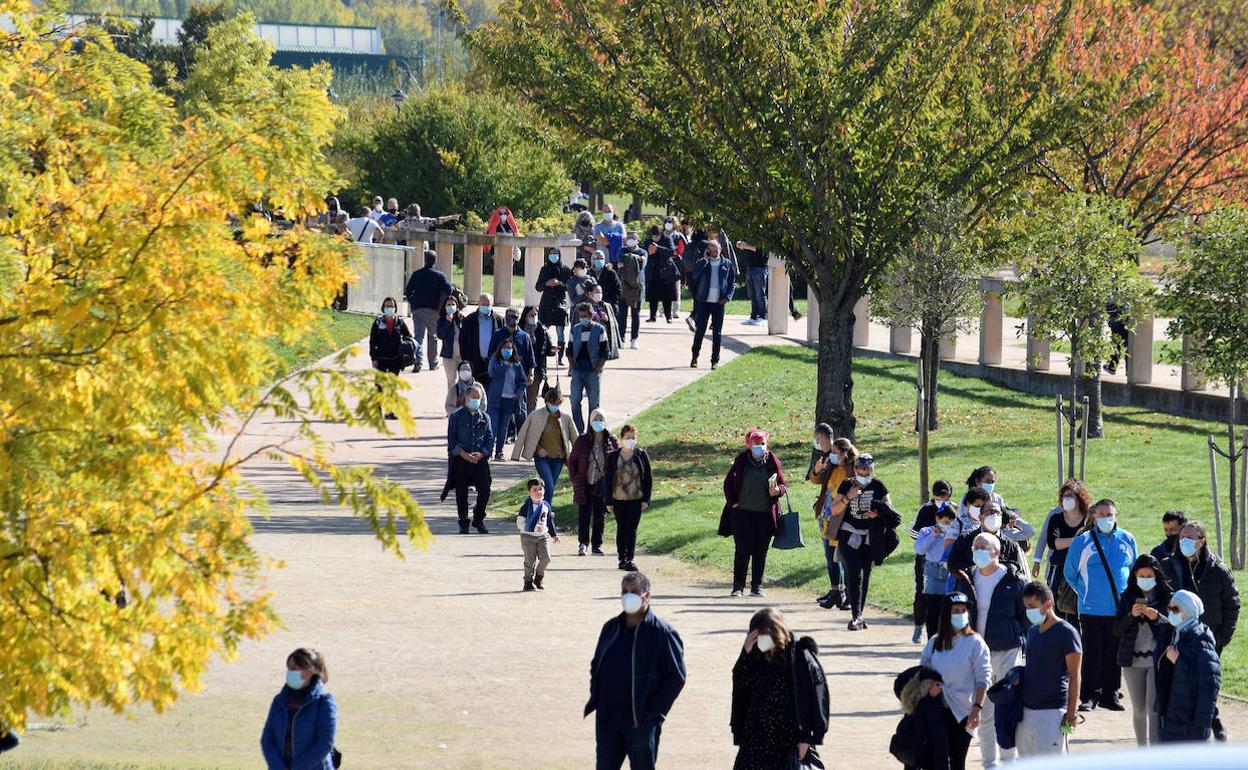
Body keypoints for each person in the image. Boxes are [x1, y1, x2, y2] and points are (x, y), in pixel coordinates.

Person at [585, 572, 687, 770]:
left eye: (634, 592)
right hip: (608, 719)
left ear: (647, 595)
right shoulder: (610, 627)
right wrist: (597, 696)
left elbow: (676, 677)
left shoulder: (662, 632)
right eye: (624, 591)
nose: (628, 596)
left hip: (641, 722)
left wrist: (653, 713)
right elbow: (596, 664)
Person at [951, 532, 1028, 768]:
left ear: (996, 552)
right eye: (975, 547)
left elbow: (1026, 618)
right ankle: (989, 764)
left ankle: (1008, 761)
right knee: (983, 712)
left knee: (1007, 708)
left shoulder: (1015, 581)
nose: (977, 551)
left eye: (983, 547)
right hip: (976, 654)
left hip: (1007, 651)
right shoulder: (966, 579)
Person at [1161, 519, 1240, 741]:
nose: (1184, 541)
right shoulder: (1169, 566)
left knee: (1205, 679)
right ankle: (1201, 722)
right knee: (1182, 680)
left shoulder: (1218, 570)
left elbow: (1232, 604)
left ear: (1202, 541)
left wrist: (1222, 637)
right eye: (1182, 537)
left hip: (1208, 639)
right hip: (1178, 635)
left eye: (1190, 537)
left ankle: (1209, 722)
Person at [730, 608, 829, 769]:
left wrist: (807, 738)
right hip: (756, 740)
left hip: (787, 740)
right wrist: (745, 654)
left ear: (774, 632)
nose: (759, 641)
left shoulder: (799, 656)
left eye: (761, 635)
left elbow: (816, 698)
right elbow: (741, 686)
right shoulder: (756, 656)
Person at [1063, 498, 1137, 712]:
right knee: (1092, 652)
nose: (1106, 518)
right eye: (1102, 514)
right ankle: (1089, 695)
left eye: (1110, 514)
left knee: (1114, 652)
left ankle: (1110, 694)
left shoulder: (1127, 539)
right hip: (1090, 609)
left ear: (1116, 516)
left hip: (1118, 608)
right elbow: (1070, 573)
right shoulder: (1082, 541)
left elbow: (1133, 569)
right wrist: (1085, 592)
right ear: (1093, 516)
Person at [919, 593, 992, 770]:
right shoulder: (935, 642)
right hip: (936, 710)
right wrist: (929, 683)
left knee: (957, 761)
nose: (961, 614)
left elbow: (984, 677)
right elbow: (922, 669)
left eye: (964, 610)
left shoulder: (975, 642)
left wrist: (977, 708)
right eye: (956, 611)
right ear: (946, 614)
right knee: (936, 760)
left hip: (963, 713)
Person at [831, 454, 899, 629]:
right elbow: (834, 509)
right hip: (849, 534)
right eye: (861, 469)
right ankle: (855, 616)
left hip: (870, 536)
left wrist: (878, 513)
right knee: (855, 572)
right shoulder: (847, 484)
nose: (864, 472)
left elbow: (890, 511)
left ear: (872, 469)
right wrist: (848, 497)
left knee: (866, 574)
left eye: (867, 469)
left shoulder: (878, 486)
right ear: (855, 469)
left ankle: (859, 615)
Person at [1016, 581, 1082, 757]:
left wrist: (1071, 714)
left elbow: (1075, 677)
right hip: (1027, 713)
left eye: (1032, 606)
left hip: (1052, 714)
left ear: (1048, 604)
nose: (1028, 611)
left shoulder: (1067, 633)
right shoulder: (1032, 632)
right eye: (1026, 607)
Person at [1113, 554, 1173, 745]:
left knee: (1153, 708)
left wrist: (1157, 617)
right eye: (1142, 576)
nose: (1145, 580)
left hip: (1157, 660)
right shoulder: (1127, 597)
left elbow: (1174, 626)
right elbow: (1117, 629)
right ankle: (1141, 748)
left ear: (1156, 576)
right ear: (1135, 576)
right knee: (1139, 709)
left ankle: (1155, 751)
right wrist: (1131, 615)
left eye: (1149, 576)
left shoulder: (1167, 597)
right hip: (1132, 661)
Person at [721, 429, 788, 598]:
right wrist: (733, 503)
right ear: (749, 445)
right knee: (742, 550)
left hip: (765, 515)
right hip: (742, 515)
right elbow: (728, 484)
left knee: (760, 552)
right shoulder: (741, 460)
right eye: (756, 444)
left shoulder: (773, 461)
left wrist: (777, 491)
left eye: (762, 443)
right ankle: (738, 587)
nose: (760, 447)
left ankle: (757, 586)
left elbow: (783, 485)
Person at [1156, 589, 1222, 743]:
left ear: (1186, 611)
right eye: (1169, 608)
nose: (1170, 612)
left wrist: (1178, 661)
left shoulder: (1200, 639)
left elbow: (1210, 681)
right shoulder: (1178, 633)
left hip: (1190, 720)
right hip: (1176, 712)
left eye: (1175, 609)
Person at [261, 648, 337, 770]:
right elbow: (267, 738)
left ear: (310, 671)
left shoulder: (324, 702)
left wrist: (297, 767)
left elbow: (325, 743)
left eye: (294, 669)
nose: (290, 672)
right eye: (289, 668)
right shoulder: (279, 701)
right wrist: (278, 766)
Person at [1032, 481, 1091, 626]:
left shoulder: (1088, 519)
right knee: (1055, 604)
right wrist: (1077, 539)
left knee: (1077, 609)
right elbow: (1052, 543)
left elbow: (1090, 543)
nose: (1067, 499)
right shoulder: (1056, 517)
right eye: (1064, 496)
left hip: (1081, 569)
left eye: (1071, 496)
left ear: (1079, 498)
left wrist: (1064, 541)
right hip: (1058, 569)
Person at [810, 429, 854, 611]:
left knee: (842, 557)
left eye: (835, 453)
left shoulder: (852, 469)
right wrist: (816, 470)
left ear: (845, 453)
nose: (832, 456)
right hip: (826, 516)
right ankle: (835, 591)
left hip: (841, 518)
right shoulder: (832, 466)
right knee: (830, 556)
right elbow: (816, 480)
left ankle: (849, 595)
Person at [512, 384, 577, 502]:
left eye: (557, 403)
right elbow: (524, 434)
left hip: (558, 459)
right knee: (549, 486)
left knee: (549, 489)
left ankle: (543, 512)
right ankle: (544, 513)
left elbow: (575, 437)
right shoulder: (536, 415)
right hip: (542, 458)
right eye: (552, 403)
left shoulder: (565, 418)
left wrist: (578, 455)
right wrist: (519, 453)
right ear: (546, 402)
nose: (555, 406)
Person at [909, 480, 955, 642]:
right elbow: (915, 538)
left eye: (945, 495)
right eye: (938, 495)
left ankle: (947, 638)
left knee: (948, 604)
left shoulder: (954, 510)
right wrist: (932, 534)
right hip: (928, 563)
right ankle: (920, 628)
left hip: (949, 569)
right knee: (925, 596)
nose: (942, 498)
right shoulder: (926, 511)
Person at [443, 385, 493, 534]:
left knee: (485, 488)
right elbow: (452, 440)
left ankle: (478, 518)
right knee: (461, 493)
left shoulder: (485, 417)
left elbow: (489, 439)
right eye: (473, 397)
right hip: (461, 460)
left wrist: (482, 453)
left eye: (478, 398)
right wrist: (463, 454)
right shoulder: (456, 417)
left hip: (479, 460)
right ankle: (463, 521)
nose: (475, 400)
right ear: (465, 397)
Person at [568, 409, 618, 556]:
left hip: (602, 485)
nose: (599, 422)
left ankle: (597, 545)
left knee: (599, 516)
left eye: (601, 419)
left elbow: (617, 462)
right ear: (591, 421)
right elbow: (573, 460)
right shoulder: (583, 440)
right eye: (596, 419)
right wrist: (575, 478)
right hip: (585, 482)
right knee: (584, 515)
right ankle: (583, 543)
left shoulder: (611, 440)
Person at [605, 424, 653, 572]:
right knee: (622, 528)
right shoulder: (613, 457)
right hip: (618, 498)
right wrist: (608, 501)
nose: (631, 440)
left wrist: (646, 499)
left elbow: (648, 478)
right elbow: (607, 480)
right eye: (627, 438)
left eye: (633, 438)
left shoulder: (641, 454)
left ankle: (629, 558)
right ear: (621, 438)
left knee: (631, 529)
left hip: (636, 499)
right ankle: (621, 558)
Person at [403, 249, 456, 374]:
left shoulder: (417, 274)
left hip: (418, 309)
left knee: (418, 337)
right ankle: (433, 363)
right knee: (433, 337)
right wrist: (441, 304)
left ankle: (418, 361)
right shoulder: (439, 275)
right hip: (434, 310)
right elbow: (449, 290)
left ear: (425, 260)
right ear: (435, 261)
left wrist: (413, 303)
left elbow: (408, 290)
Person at [689, 240, 736, 370]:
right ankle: (694, 357)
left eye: (716, 251)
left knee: (717, 333)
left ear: (720, 249)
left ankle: (715, 360)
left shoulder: (727, 264)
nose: (714, 253)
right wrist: (705, 260)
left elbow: (732, 283)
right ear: (708, 250)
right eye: (712, 251)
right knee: (700, 331)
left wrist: (727, 297)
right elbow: (695, 275)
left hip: (719, 303)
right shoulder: (702, 263)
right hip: (704, 302)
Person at [947, 499, 1025, 577]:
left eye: (997, 513)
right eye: (990, 512)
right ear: (981, 518)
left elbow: (1018, 571)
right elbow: (953, 565)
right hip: (971, 586)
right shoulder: (965, 540)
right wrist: (975, 572)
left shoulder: (1011, 545)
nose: (994, 516)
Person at [893, 666, 950, 770]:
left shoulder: (912, 705)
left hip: (912, 752)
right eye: (937, 685)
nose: (940, 688)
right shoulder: (932, 704)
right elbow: (939, 741)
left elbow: (900, 680)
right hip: (924, 753)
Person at [567, 302, 609, 433]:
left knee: (594, 403)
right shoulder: (575, 329)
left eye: (585, 316)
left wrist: (598, 368)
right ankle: (579, 430)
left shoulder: (600, 329)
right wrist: (572, 363)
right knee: (574, 400)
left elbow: (605, 351)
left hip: (593, 371)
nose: (582, 318)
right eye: (580, 316)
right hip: (578, 370)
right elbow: (569, 349)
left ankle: (592, 431)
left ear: (591, 316)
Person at [486, 338, 527, 462]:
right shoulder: (495, 360)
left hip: (509, 400)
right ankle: (488, 451)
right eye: (505, 348)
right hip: (495, 399)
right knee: (493, 426)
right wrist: (504, 366)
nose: (507, 350)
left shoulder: (516, 364)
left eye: (509, 348)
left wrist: (518, 393)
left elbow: (522, 381)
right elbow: (492, 373)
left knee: (503, 428)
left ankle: (499, 452)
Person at [516, 478, 560, 591]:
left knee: (546, 558)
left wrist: (554, 534)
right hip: (528, 537)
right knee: (530, 561)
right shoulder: (526, 506)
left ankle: (539, 578)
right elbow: (520, 523)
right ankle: (528, 582)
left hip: (542, 537)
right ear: (529, 492)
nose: (538, 492)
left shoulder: (546, 505)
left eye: (540, 489)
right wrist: (534, 527)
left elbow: (549, 521)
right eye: (535, 490)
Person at [458, 293, 504, 387]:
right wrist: (467, 360)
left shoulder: (500, 320)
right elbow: (463, 342)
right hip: (475, 362)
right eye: (483, 304)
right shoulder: (469, 320)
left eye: (488, 305)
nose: (485, 307)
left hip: (493, 362)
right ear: (478, 304)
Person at [537, 249, 572, 365]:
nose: (553, 256)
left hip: (560, 304)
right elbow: (538, 287)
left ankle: (560, 357)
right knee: (542, 331)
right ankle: (542, 354)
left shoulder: (565, 269)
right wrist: (547, 283)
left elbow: (569, 286)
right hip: (546, 303)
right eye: (551, 254)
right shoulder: (544, 269)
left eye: (555, 254)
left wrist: (559, 283)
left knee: (560, 332)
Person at [368, 296, 413, 381]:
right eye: (387, 306)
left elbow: (408, 336)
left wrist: (405, 348)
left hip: (396, 359)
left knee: (392, 386)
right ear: (383, 308)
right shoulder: (378, 322)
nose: (389, 308)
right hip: (381, 359)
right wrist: (373, 359)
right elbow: (372, 342)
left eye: (392, 306)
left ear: (395, 308)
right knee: (379, 386)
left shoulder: (399, 322)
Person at [519, 305, 552, 412]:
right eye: (531, 315)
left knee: (531, 401)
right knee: (519, 401)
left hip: (536, 371)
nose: (534, 317)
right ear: (525, 316)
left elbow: (548, 349)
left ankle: (529, 424)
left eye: (535, 315)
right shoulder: (518, 330)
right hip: (520, 369)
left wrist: (552, 350)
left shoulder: (542, 330)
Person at [644, 225, 678, 323]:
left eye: (657, 236)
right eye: (653, 236)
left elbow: (671, 251)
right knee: (652, 296)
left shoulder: (667, 239)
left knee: (667, 296)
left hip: (665, 270)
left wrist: (658, 248)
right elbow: (646, 252)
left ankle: (668, 316)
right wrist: (651, 251)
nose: (655, 238)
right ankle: (652, 316)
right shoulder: (648, 241)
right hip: (652, 270)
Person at [617, 231, 645, 349]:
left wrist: (638, 259)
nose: (630, 240)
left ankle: (634, 339)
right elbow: (619, 264)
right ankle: (621, 338)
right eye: (628, 238)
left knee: (635, 314)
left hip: (637, 286)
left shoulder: (642, 252)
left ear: (638, 240)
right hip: (623, 285)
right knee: (622, 313)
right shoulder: (621, 250)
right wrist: (636, 260)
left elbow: (643, 265)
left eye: (633, 238)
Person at [737, 240, 769, 325]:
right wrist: (741, 245)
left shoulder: (762, 237)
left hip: (760, 267)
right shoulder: (749, 236)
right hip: (750, 267)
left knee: (760, 294)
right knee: (752, 294)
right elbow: (748, 248)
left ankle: (762, 316)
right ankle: (754, 316)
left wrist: (746, 246)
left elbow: (761, 250)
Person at [436, 297, 465, 385]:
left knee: (464, 380)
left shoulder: (462, 319)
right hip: (449, 356)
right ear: (444, 307)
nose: (451, 306)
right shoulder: (441, 320)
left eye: (453, 304)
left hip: (462, 355)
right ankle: (452, 398)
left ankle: (462, 398)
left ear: (457, 306)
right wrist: (448, 322)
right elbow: (441, 335)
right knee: (451, 382)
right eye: (448, 305)